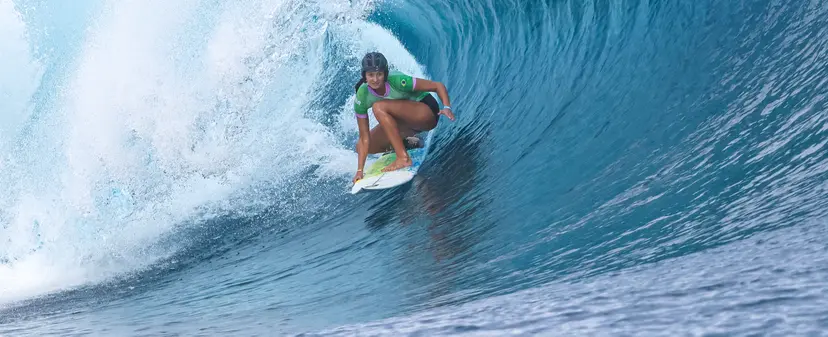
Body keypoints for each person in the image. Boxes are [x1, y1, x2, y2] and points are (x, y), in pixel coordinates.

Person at [351, 52, 456, 183]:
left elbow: (437, 86)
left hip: (425, 113)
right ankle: (409, 143)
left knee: (378, 107)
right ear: (365, 76)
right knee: (363, 146)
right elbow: (364, 138)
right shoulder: (362, 95)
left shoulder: (398, 81)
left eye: (379, 74)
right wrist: (359, 171)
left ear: (385, 74)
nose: (375, 79)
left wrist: (447, 107)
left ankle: (403, 158)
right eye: (371, 75)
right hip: (405, 123)